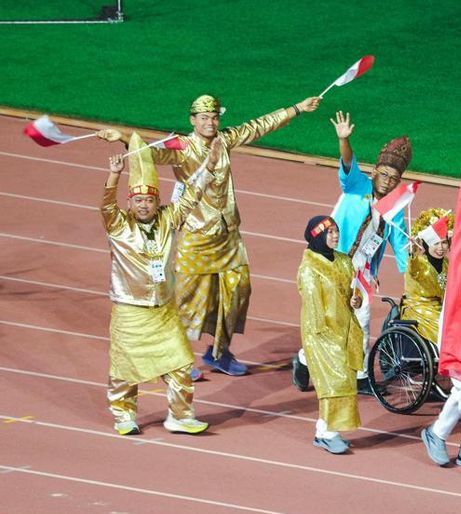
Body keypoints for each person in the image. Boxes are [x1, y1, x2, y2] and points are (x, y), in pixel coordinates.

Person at [99, 93, 322, 377]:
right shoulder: (181, 147)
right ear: (193, 120)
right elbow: (147, 151)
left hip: (228, 233)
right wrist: (123, 136)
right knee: (184, 300)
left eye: (215, 117)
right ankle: (173, 359)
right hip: (196, 236)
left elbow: (260, 125)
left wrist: (296, 108)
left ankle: (219, 352)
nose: (211, 122)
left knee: (237, 293)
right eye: (204, 118)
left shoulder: (225, 140)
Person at [102, 133, 221, 435]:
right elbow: (106, 208)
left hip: (164, 310)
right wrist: (114, 176)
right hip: (131, 310)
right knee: (126, 369)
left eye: (150, 200)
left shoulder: (169, 218)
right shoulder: (119, 225)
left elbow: (192, 194)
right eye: (139, 200)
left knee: (181, 363)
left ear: (158, 201)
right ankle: (124, 415)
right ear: (131, 202)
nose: (144, 205)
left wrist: (210, 165)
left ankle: (180, 416)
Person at [292, 111, 412, 392]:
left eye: (393, 178)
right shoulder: (357, 185)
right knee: (333, 321)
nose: (387, 181)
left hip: (362, 271)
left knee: (362, 318)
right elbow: (347, 162)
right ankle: (303, 359)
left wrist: (411, 273)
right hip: (334, 263)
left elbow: (399, 243)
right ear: (373, 172)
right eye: (383, 174)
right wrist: (344, 140)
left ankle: (360, 377)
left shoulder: (395, 207)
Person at [297, 215, 364, 454]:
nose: (335, 236)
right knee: (333, 382)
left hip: (345, 328)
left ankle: (324, 429)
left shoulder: (344, 261)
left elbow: (350, 293)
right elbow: (314, 306)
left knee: (344, 380)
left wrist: (356, 300)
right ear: (317, 237)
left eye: (336, 231)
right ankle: (328, 433)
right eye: (330, 233)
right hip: (321, 333)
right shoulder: (309, 269)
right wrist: (321, 334)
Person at [401, 208, 453, 344]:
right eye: (435, 243)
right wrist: (412, 253)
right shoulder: (419, 263)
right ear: (426, 244)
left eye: (444, 242)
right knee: (445, 329)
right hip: (419, 308)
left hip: (440, 307)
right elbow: (414, 269)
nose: (440, 248)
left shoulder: (447, 263)